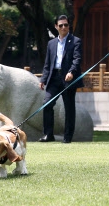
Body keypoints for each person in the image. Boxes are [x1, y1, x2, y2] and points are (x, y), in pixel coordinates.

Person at [38, 15, 82, 144]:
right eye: (61, 25)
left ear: (69, 26)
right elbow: (48, 63)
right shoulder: (51, 43)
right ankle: (48, 134)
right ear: (56, 26)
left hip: (68, 78)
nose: (64, 27)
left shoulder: (76, 41)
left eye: (66, 25)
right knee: (47, 104)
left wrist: (71, 72)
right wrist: (43, 79)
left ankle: (67, 136)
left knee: (69, 108)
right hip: (54, 78)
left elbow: (77, 59)